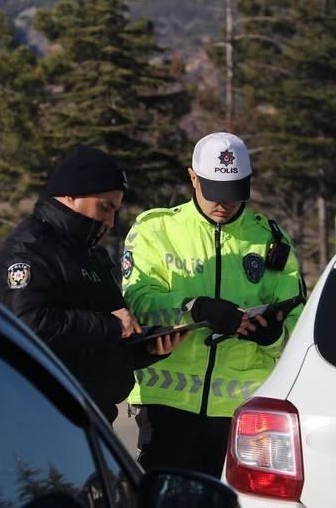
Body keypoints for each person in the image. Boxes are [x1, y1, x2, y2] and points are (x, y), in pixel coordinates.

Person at [121, 132, 305, 476]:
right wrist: (194, 308)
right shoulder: (155, 229)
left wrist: (274, 336)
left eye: (234, 193)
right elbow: (138, 302)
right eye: (213, 192)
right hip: (167, 406)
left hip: (244, 411)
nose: (223, 204)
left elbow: (297, 316)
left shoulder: (271, 239)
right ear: (192, 177)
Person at [0, 145, 182, 423]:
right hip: (38, 418)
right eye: (105, 207)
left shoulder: (91, 254)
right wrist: (112, 324)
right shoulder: (29, 249)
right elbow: (29, 324)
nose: (110, 220)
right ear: (71, 194)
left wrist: (146, 347)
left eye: (115, 210)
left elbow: (97, 339)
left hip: (93, 417)